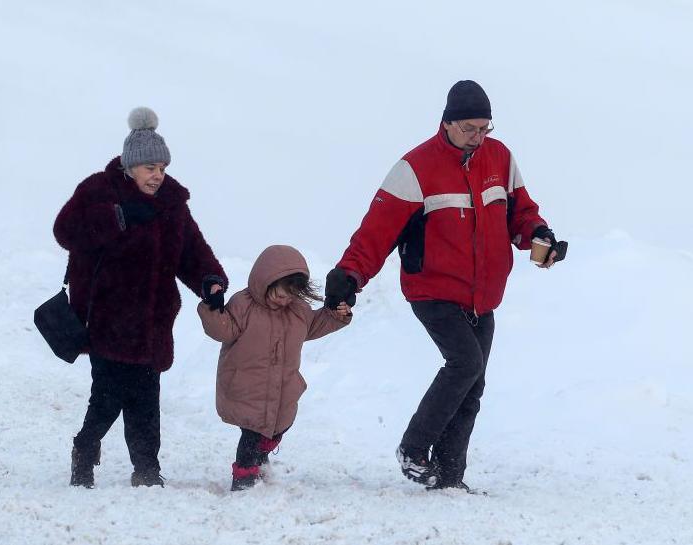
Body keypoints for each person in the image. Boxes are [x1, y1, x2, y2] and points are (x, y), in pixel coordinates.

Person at [324, 80, 565, 490]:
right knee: (465, 365)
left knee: (474, 383)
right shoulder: (415, 168)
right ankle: (414, 449)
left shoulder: (500, 158)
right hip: (433, 289)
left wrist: (538, 234)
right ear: (448, 122)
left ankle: (450, 476)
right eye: (470, 128)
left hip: (483, 295)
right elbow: (375, 234)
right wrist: (350, 275)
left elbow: (520, 213)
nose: (478, 137)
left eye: (484, 128)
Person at [53, 107, 228, 489]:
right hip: (106, 314)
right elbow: (65, 231)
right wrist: (115, 217)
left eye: (162, 167)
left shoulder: (172, 206)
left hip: (151, 317)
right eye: (150, 167)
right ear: (131, 166)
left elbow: (192, 252)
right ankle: (85, 447)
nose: (158, 175)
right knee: (109, 393)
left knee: (146, 397)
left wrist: (210, 280)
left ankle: (146, 468)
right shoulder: (98, 190)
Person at [197, 245, 352, 491]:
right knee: (251, 436)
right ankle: (244, 481)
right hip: (247, 388)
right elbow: (222, 329)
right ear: (265, 282)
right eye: (280, 295)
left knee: (277, 428)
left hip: (282, 390)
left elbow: (315, 325)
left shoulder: (298, 311)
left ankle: (260, 460)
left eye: (291, 296)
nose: (285, 301)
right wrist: (212, 306)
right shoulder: (243, 304)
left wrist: (335, 314)